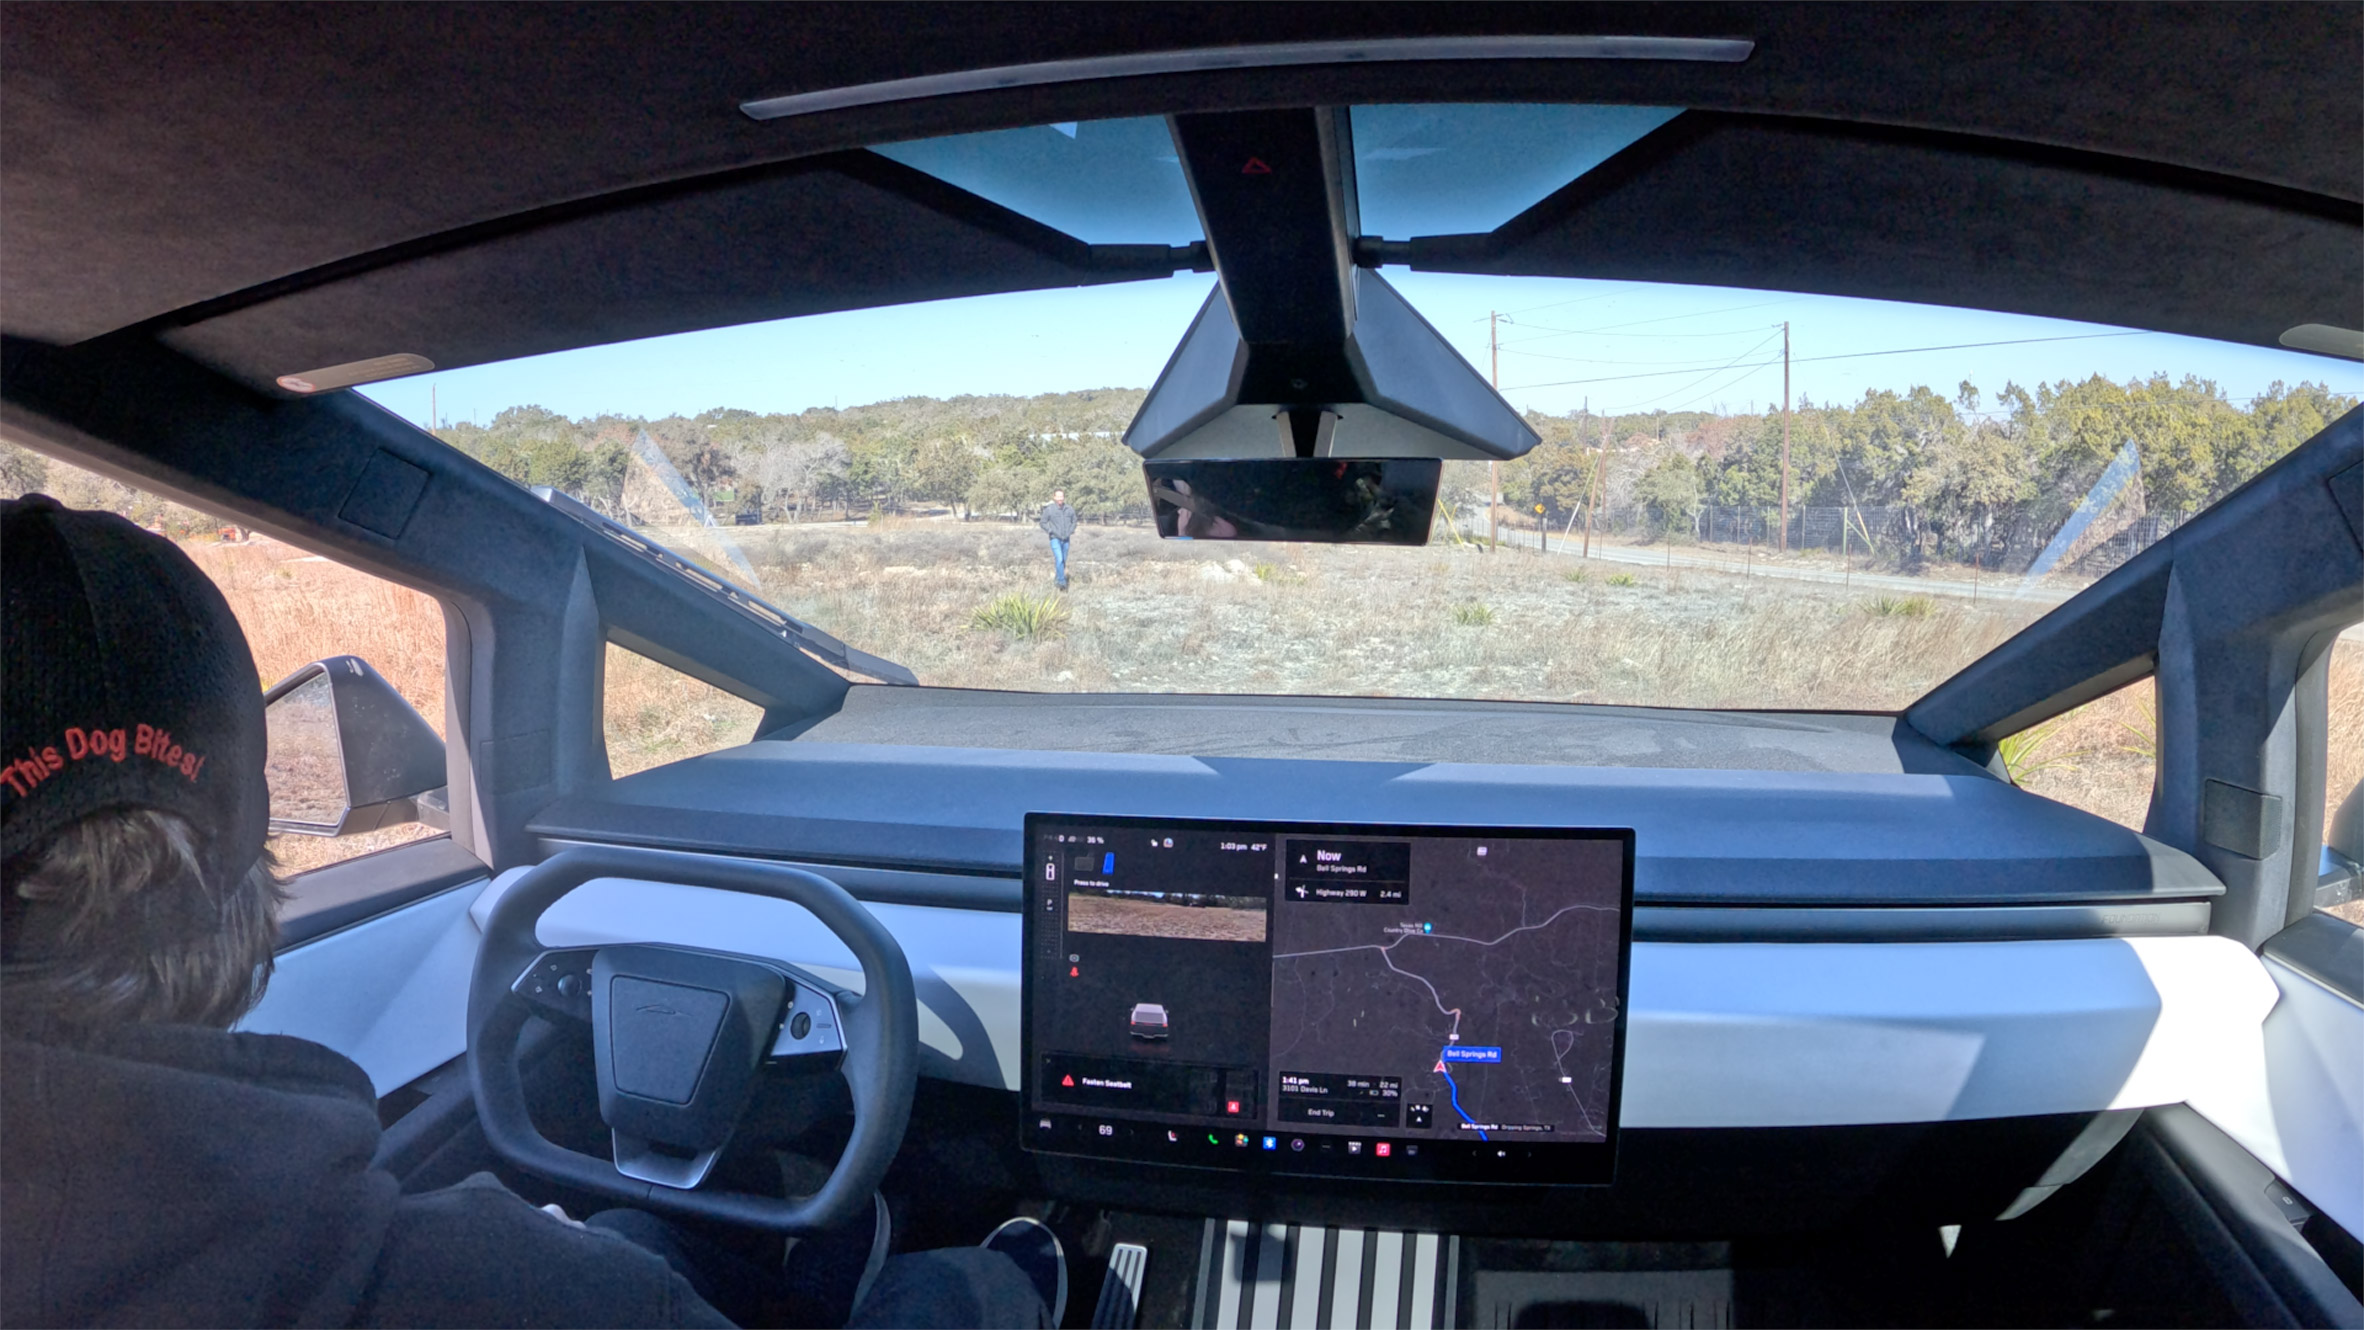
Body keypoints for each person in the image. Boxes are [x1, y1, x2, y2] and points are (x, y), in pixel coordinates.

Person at [0, 495, 1064, 1329]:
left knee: (630, 1232)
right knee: (955, 1291)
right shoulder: (509, 1292)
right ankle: (1010, 1273)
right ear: (252, 842)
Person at [1035, 489, 1077, 590]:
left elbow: (1074, 521)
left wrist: (1071, 531)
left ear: (1064, 497)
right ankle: (1062, 583)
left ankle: (1057, 579)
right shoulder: (1049, 510)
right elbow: (1043, 523)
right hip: (1055, 538)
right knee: (1059, 558)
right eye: (1058, 497)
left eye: (1061, 497)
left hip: (1066, 538)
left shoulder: (1069, 509)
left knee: (1063, 560)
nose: (1060, 499)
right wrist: (1050, 531)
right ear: (1054, 497)